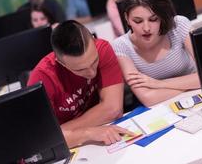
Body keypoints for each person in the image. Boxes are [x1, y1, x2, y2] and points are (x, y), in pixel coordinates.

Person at [27, 20, 134, 148]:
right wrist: (86, 133)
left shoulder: (102, 48)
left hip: (97, 133)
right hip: (71, 147)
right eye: (80, 69)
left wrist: (63, 132)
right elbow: (43, 139)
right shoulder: (41, 78)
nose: (92, 72)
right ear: (61, 63)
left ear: (94, 40)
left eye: (94, 61)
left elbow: (113, 110)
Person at [112, 0, 201, 107]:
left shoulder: (178, 25)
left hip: (199, 96)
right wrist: (190, 83)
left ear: (162, 16)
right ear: (127, 18)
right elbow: (148, 98)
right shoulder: (121, 46)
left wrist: (158, 84)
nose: (146, 28)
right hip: (163, 108)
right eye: (138, 21)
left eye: (153, 19)